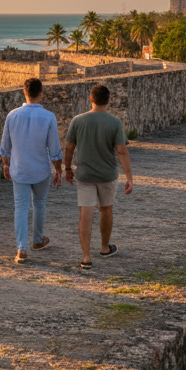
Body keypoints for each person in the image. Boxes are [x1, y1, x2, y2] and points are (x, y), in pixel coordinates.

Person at [63, 84, 134, 270]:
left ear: (91, 99)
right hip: (107, 175)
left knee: (85, 214)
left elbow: (69, 147)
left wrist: (68, 168)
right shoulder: (115, 123)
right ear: (108, 100)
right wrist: (129, 177)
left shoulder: (78, 121)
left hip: (85, 175)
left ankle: (85, 257)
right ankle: (104, 248)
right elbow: (121, 151)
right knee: (106, 210)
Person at [0, 78, 63, 264]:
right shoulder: (49, 116)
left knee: (20, 207)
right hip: (41, 169)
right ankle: (37, 240)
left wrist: (5, 164)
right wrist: (58, 170)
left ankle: (21, 247)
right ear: (41, 93)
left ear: (24, 93)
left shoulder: (12, 115)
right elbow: (55, 149)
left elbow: (5, 146)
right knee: (40, 203)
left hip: (19, 169)